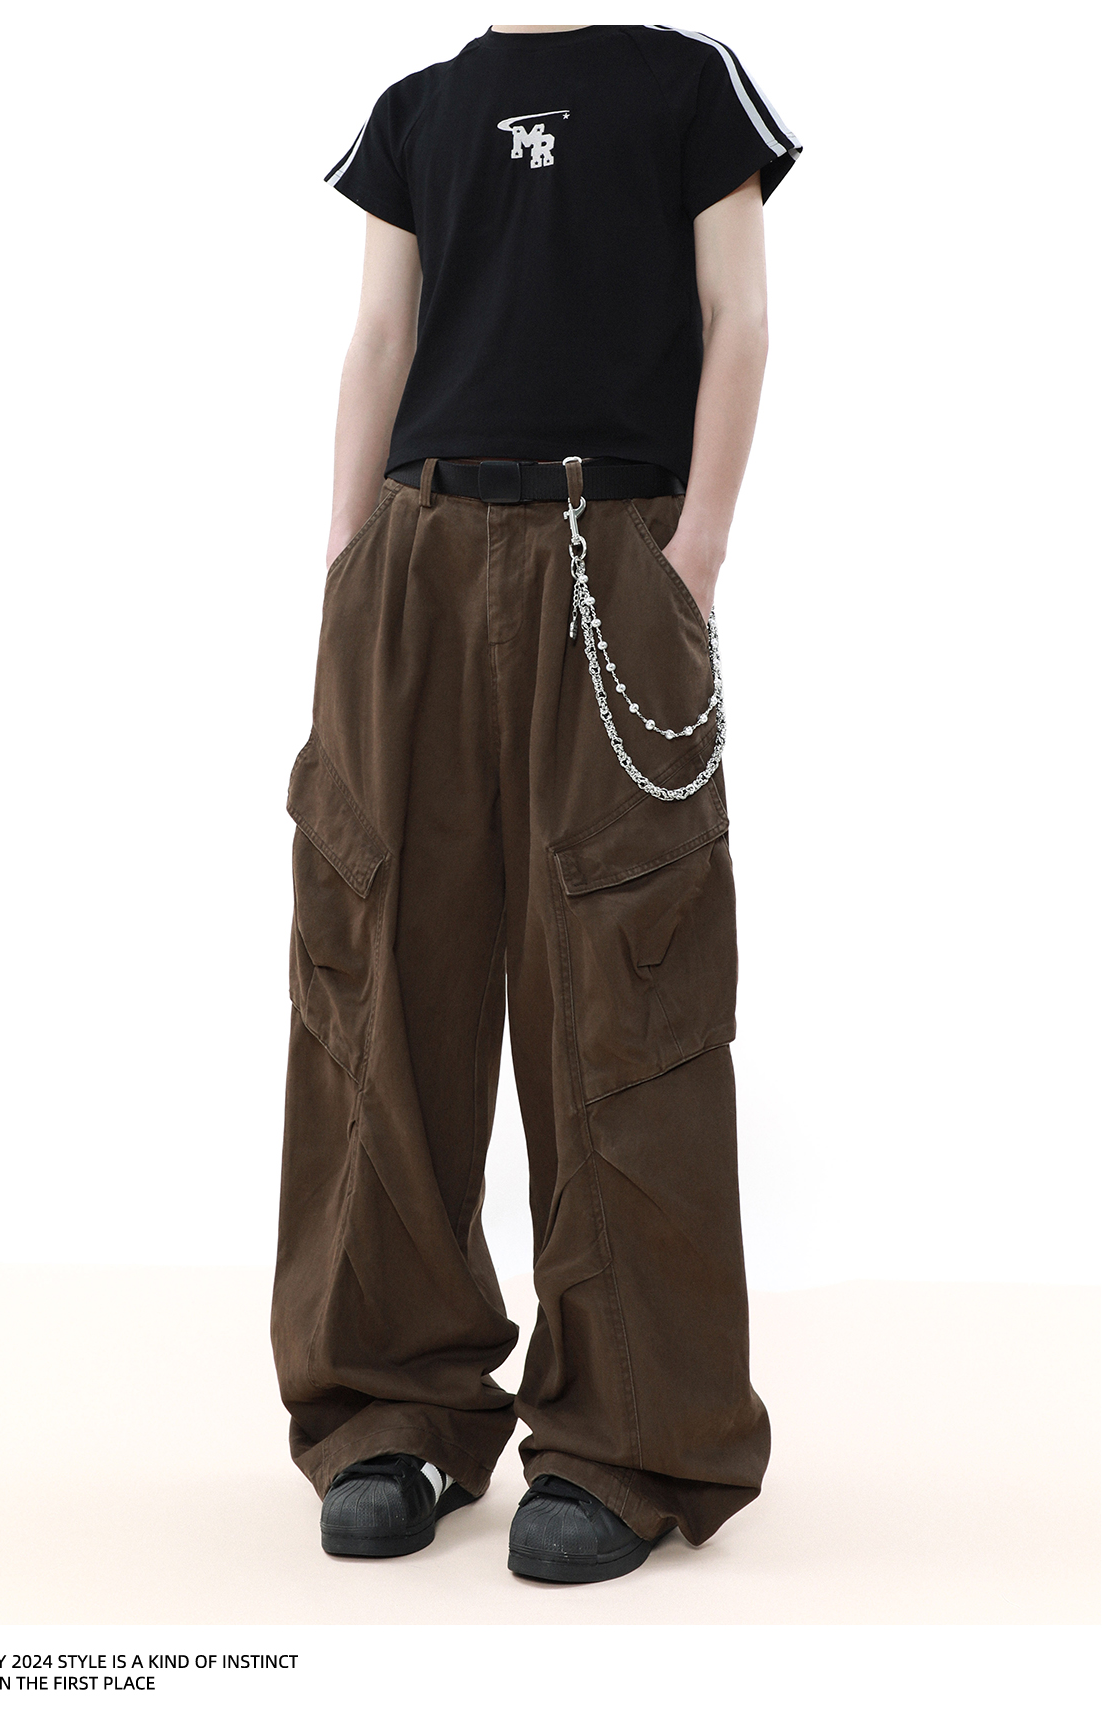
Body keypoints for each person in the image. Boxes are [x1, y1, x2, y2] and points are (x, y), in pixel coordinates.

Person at [271, 22, 801, 1585]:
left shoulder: (685, 82)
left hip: (609, 547)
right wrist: (348, 559)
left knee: (620, 983)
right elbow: (381, 336)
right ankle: (391, 1408)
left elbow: (740, 317)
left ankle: (625, 1434)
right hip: (417, 556)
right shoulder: (418, 109)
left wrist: (691, 557)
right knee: (383, 966)